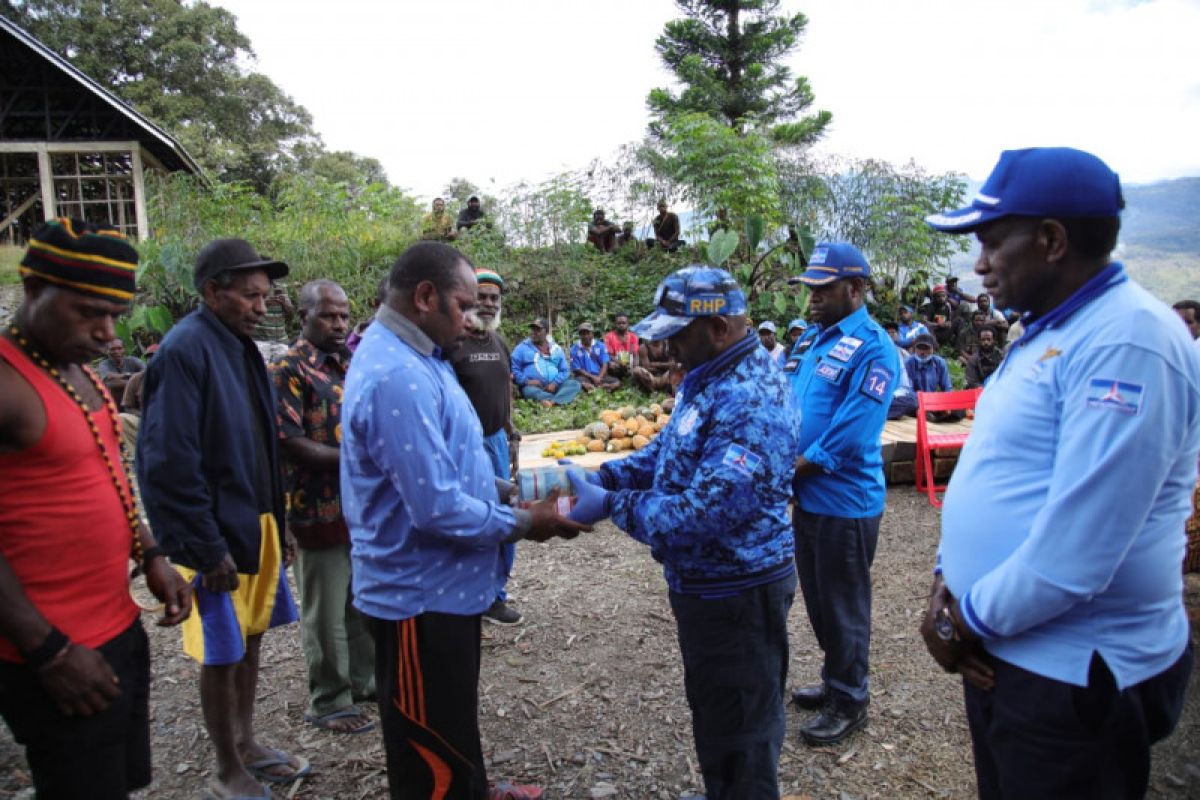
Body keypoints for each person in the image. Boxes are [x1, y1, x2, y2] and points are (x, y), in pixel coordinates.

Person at [920, 146, 1198, 799]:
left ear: (1051, 240)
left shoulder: (1126, 342)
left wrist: (960, 623)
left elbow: (1078, 551)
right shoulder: (1050, 332)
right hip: (1009, 653)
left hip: (1070, 676)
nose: (979, 264)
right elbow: (999, 467)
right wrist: (945, 577)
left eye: (991, 242)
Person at [341, 241, 588, 800]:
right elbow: (437, 508)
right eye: (463, 304)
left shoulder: (423, 355)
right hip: (417, 598)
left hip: (446, 591)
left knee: (450, 716)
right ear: (425, 296)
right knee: (427, 747)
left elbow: (452, 465)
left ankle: (472, 788)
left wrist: (513, 490)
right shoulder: (394, 375)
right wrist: (529, 522)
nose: (473, 318)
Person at [565, 265, 800, 799]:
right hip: (707, 586)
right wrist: (606, 474)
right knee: (718, 713)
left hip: (738, 587)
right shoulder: (711, 377)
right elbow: (671, 451)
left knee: (745, 726)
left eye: (678, 332)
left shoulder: (749, 398)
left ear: (718, 328)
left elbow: (701, 513)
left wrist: (612, 505)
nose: (667, 343)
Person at [0, 218, 191, 799]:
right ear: (35, 290)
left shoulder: (77, 370)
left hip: (114, 627)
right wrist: (50, 651)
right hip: (51, 649)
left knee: (117, 780)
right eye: (88, 312)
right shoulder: (8, 383)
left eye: (114, 313)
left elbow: (105, 476)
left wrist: (150, 551)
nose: (107, 331)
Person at [139, 237, 307, 799]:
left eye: (265, 296)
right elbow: (167, 462)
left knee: (252, 636)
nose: (262, 307)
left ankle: (246, 740)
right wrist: (204, 549)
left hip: (254, 521)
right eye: (250, 296)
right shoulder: (185, 350)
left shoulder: (240, 346)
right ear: (213, 292)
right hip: (214, 533)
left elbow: (263, 443)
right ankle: (225, 768)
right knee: (220, 649)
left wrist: (278, 520)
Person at [786, 242, 900, 746]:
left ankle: (851, 699)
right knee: (817, 598)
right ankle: (836, 680)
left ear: (855, 289)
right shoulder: (815, 339)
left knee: (843, 603)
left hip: (844, 501)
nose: (811, 298)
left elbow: (853, 431)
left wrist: (795, 467)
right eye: (809, 288)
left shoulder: (874, 347)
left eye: (822, 289)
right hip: (806, 496)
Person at [270, 279, 375, 737]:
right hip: (315, 509)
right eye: (328, 315)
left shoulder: (350, 363)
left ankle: (364, 682)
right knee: (325, 611)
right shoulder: (287, 369)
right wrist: (363, 460)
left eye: (343, 316)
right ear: (304, 317)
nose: (338, 324)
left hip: (359, 510)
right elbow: (291, 444)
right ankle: (328, 699)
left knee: (360, 603)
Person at [449, 268, 524, 626]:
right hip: (465, 445)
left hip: (495, 438)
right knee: (474, 517)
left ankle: (495, 594)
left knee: (505, 513)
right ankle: (471, 593)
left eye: (494, 298)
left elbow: (505, 388)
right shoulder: (454, 344)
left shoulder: (498, 342)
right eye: (481, 296)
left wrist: (511, 433)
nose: (489, 303)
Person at [511, 318, 581, 407]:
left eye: (538, 330)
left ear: (546, 332)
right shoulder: (522, 348)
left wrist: (555, 383)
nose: (534, 332)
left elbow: (565, 370)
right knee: (529, 392)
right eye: (533, 329)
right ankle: (559, 400)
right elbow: (513, 368)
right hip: (534, 387)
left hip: (555, 386)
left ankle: (550, 402)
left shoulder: (556, 349)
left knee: (574, 384)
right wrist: (527, 381)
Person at [905, 333, 961, 421]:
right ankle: (933, 415)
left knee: (959, 406)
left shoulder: (939, 362)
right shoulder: (908, 363)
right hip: (916, 401)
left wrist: (947, 402)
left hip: (934, 400)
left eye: (926, 348)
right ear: (914, 349)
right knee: (907, 403)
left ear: (933, 350)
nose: (923, 352)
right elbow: (909, 390)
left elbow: (947, 387)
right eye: (920, 348)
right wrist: (924, 401)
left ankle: (934, 415)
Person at [250, 280, 295, 364]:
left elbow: (291, 315)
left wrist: (283, 303)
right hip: (260, 341)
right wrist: (265, 303)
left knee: (282, 371)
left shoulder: (281, 287)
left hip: (281, 341)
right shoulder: (256, 287)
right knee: (262, 372)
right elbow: (248, 309)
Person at [570, 322, 620, 391]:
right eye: (583, 334)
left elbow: (605, 364)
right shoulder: (574, 349)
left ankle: (595, 388)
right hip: (585, 377)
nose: (586, 336)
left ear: (592, 334)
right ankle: (601, 388)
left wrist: (599, 378)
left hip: (600, 376)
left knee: (617, 383)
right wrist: (593, 378)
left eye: (588, 333)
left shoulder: (600, 346)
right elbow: (578, 369)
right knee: (579, 382)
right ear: (579, 335)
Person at [96, 338, 144, 409]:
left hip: (135, 399)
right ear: (107, 351)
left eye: (119, 348)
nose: (116, 352)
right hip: (115, 402)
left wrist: (120, 379)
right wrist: (133, 379)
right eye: (113, 349)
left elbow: (146, 373)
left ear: (124, 349)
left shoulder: (133, 360)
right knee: (112, 385)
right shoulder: (104, 364)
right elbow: (109, 378)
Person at [603, 313, 639, 379]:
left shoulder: (633, 337)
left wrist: (635, 366)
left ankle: (631, 376)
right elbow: (609, 355)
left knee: (637, 365)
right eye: (619, 323)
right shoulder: (608, 336)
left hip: (629, 362)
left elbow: (634, 354)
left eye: (623, 323)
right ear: (615, 324)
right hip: (615, 362)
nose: (621, 325)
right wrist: (621, 363)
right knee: (611, 365)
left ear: (628, 324)